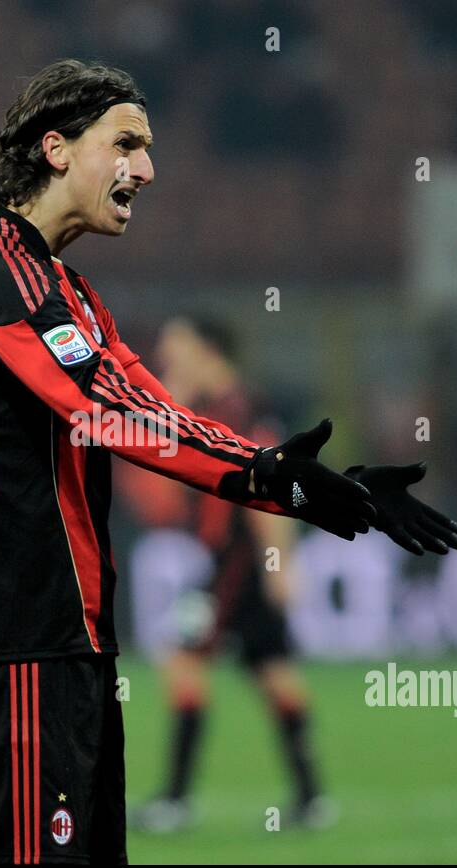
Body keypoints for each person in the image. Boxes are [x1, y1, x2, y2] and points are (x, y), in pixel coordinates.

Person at [0, 59, 457, 864]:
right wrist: (276, 480)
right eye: (128, 143)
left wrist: (329, 489)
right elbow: (118, 415)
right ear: (57, 148)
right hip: (18, 633)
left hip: (65, 637)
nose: (148, 169)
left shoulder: (61, 286)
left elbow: (165, 412)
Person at [127, 315, 333, 832]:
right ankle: (312, 798)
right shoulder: (217, 408)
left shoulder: (241, 411)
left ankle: (175, 801)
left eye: (176, 351)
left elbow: (273, 486)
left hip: (236, 562)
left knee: (182, 660)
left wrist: (278, 562)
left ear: (209, 351)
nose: (167, 363)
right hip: (233, 562)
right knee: (272, 671)